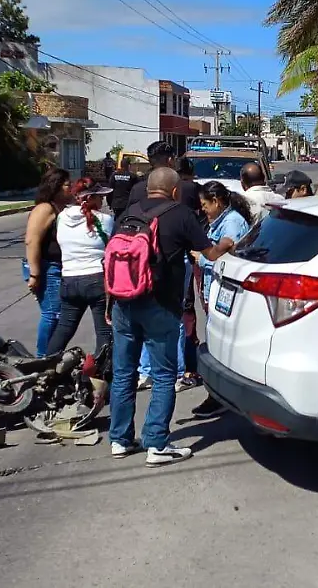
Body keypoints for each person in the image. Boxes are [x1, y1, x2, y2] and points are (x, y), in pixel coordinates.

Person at [108, 167, 233, 467]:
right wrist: (227, 244)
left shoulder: (128, 214)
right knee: (164, 375)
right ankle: (156, 444)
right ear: (175, 191)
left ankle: (119, 440)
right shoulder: (181, 215)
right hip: (160, 305)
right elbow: (210, 254)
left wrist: (110, 302)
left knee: (124, 373)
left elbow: (112, 259)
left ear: (148, 188)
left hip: (123, 302)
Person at [189, 181, 255, 418]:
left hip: (227, 295)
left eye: (205, 204)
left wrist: (201, 258)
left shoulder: (232, 223)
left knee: (221, 349)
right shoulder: (221, 221)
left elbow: (228, 259)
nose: (203, 209)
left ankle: (218, 396)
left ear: (216, 202)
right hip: (216, 292)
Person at [137, 157, 203, 392]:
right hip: (174, 267)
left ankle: (145, 372)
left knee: (147, 321)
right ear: (175, 191)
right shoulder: (182, 211)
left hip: (142, 269)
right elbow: (205, 248)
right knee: (176, 319)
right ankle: (177, 373)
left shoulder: (135, 208)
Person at [44, 178, 114, 357]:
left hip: (69, 279)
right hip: (97, 279)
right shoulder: (105, 220)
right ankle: (101, 369)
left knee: (64, 328)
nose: (102, 200)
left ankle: (48, 364)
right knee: (104, 331)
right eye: (99, 197)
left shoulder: (62, 217)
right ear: (90, 198)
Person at [25, 168, 72, 356]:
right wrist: (35, 274)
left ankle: (52, 354)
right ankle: (43, 356)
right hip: (46, 268)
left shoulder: (61, 208)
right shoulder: (45, 209)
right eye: (67, 185)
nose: (71, 188)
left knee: (58, 314)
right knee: (52, 313)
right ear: (56, 187)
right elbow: (31, 241)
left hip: (58, 267)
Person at [125, 141, 177, 212]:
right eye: (175, 158)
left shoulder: (137, 189)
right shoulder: (180, 188)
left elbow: (129, 214)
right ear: (170, 160)